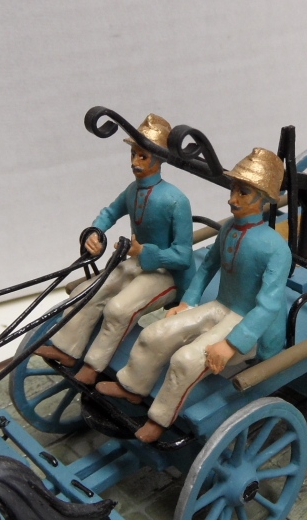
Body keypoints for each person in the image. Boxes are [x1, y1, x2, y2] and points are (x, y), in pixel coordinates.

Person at [98, 147, 291, 443]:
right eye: (233, 190)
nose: (232, 199)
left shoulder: (276, 248)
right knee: (154, 334)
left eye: (243, 193)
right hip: (221, 306)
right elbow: (207, 267)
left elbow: (268, 306)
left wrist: (231, 343)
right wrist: (187, 303)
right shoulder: (228, 229)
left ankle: (159, 419)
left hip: (250, 324)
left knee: (186, 359)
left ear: (264, 199)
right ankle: (132, 387)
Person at [37, 114, 193, 385]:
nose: (134, 162)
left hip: (167, 274)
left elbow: (183, 256)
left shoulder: (176, 200)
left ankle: (93, 366)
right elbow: (110, 213)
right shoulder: (133, 191)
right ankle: (67, 350)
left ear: (159, 159)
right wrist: (95, 232)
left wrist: (144, 253)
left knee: (119, 309)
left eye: (143, 156)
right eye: (133, 154)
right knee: (87, 291)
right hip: (135, 262)